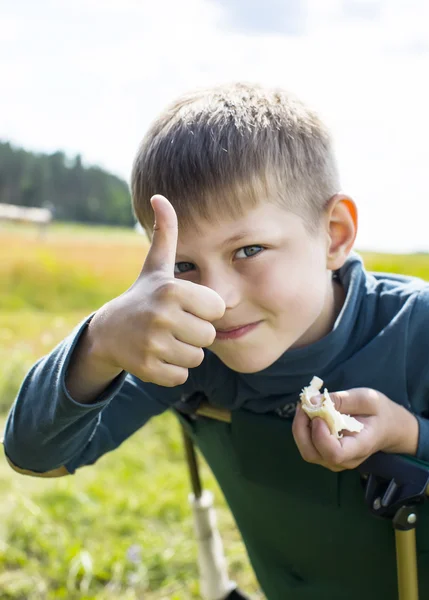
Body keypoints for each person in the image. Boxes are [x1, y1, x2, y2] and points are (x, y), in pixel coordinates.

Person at [3, 82, 429, 600]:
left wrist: (411, 437)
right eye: (183, 265)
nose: (217, 297)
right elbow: (34, 455)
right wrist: (101, 342)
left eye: (249, 249)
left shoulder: (417, 328)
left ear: (334, 235)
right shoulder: (190, 348)